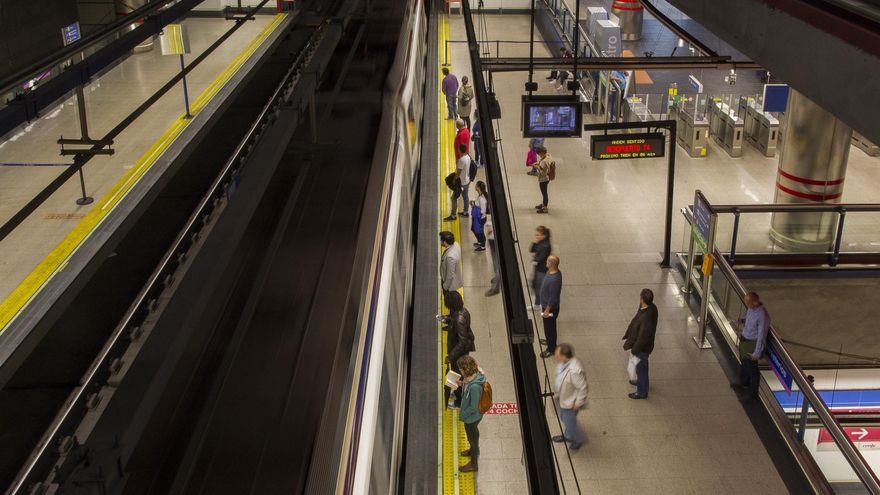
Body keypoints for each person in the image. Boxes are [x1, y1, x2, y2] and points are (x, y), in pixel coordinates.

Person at [731, 292, 771, 400]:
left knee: (752, 367)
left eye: (748, 302)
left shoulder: (762, 316)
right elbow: (749, 317)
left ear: (755, 302)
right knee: (744, 361)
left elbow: (761, 335)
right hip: (745, 338)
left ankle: (753, 393)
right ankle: (743, 382)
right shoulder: (751, 308)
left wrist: (757, 353)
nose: (746, 304)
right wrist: (742, 320)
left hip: (751, 343)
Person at [622, 289, 659, 399]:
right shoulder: (652, 308)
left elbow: (643, 338)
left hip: (642, 349)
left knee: (641, 368)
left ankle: (642, 392)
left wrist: (634, 350)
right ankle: (642, 383)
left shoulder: (646, 318)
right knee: (643, 366)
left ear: (642, 299)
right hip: (644, 347)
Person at [553, 343, 588, 450]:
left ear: (564, 355)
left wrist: (577, 403)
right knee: (564, 418)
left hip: (570, 403)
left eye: (557, 354)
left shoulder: (574, 371)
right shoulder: (564, 363)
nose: (555, 356)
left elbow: (582, 388)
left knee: (570, 422)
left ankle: (578, 439)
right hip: (564, 398)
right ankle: (568, 436)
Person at [444, 291, 475, 409]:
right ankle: (459, 395)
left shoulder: (459, 320)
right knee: (460, 375)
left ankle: (460, 402)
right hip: (462, 351)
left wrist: (450, 357)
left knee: (458, 376)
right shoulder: (464, 311)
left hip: (458, 354)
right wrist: (447, 320)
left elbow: (462, 342)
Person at [457, 355, 486, 473]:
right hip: (474, 417)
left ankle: (473, 464)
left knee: (472, 438)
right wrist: (460, 383)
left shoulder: (474, 387)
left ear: (465, 370)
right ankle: (474, 449)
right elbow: (467, 384)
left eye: (460, 369)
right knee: (473, 434)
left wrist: (463, 414)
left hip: (472, 417)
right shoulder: (473, 377)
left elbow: (473, 407)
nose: (459, 370)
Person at [540, 255, 562, 358]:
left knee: (550, 328)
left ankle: (551, 348)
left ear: (552, 264)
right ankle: (549, 341)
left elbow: (553, 297)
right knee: (548, 327)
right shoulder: (551, 271)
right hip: (545, 305)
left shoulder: (555, 280)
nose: (546, 262)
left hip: (550, 308)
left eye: (548, 261)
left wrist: (547, 310)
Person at [444, 143, 471, 221]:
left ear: (460, 150)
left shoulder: (461, 160)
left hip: (461, 183)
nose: (458, 150)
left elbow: (458, 173)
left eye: (458, 149)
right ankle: (465, 212)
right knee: (465, 196)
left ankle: (453, 216)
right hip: (467, 181)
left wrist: (454, 180)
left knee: (454, 198)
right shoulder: (468, 157)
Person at [529, 226, 551, 310]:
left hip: (542, 270)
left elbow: (540, 257)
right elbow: (531, 250)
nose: (536, 236)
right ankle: (537, 304)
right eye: (535, 235)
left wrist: (535, 260)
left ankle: (544, 305)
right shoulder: (540, 242)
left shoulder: (546, 245)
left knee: (540, 288)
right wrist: (534, 242)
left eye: (538, 235)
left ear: (544, 235)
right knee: (536, 286)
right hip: (538, 269)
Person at [438, 230, 463, 298]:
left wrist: (445, 287)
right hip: (453, 278)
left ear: (445, 242)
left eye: (441, 240)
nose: (440, 242)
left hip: (449, 285)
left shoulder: (450, 257)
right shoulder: (456, 244)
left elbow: (450, 275)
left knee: (449, 299)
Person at [533, 146, 553, 214]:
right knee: (544, 193)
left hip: (543, 179)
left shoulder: (544, 162)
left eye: (539, 154)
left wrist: (536, 166)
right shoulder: (548, 156)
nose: (539, 155)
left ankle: (545, 208)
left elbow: (542, 172)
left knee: (544, 193)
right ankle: (543, 204)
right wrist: (538, 163)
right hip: (547, 178)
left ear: (541, 153)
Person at [485, 214, 500, 296]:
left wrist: (490, 227)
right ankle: (497, 278)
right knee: (495, 263)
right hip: (492, 241)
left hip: (495, 242)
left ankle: (495, 288)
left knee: (497, 265)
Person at [470, 181, 488, 251]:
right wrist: (473, 202)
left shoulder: (482, 199)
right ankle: (480, 241)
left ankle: (483, 246)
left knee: (480, 231)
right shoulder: (480, 195)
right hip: (477, 218)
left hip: (480, 218)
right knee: (474, 229)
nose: (475, 186)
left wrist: (474, 206)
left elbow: (483, 211)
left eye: (476, 185)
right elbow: (478, 203)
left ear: (478, 188)